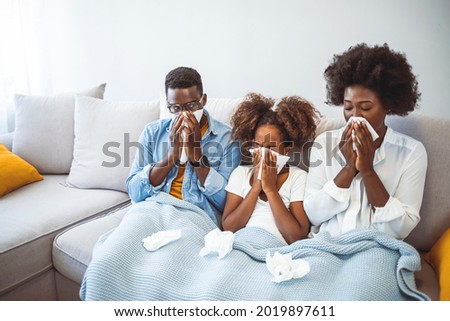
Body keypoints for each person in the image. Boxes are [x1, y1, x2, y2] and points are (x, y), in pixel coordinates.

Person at [304, 43, 427, 240]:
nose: (355, 117)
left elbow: (401, 228)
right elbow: (313, 214)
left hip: (375, 248)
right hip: (326, 246)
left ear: (387, 105)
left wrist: (368, 171)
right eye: (348, 107)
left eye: (365, 108)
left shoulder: (411, 152)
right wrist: (349, 169)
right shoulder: (324, 143)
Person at [126, 67, 241, 224]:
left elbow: (226, 203)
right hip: (153, 209)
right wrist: (173, 154)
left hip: (194, 215)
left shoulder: (228, 139)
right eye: (176, 108)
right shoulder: (152, 132)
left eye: (192, 106)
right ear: (168, 105)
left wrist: (196, 156)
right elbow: (134, 191)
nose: (184, 114)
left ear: (204, 100)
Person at [222, 93, 318, 244]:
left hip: (276, 248)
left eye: (271, 147)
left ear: (287, 149)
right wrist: (255, 188)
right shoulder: (241, 173)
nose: (263, 152)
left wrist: (271, 190)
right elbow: (228, 228)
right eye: (258, 146)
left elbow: (297, 237)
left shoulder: (298, 177)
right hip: (243, 245)